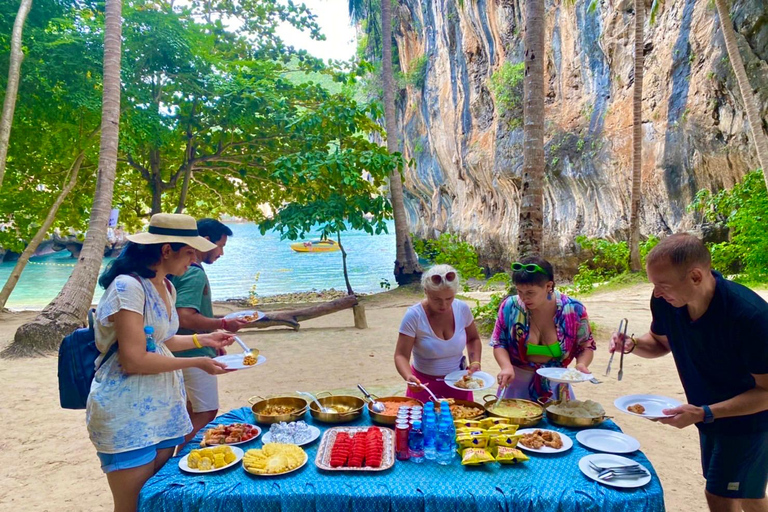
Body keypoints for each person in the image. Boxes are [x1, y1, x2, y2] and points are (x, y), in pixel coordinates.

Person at [86, 213, 235, 512]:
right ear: (166, 250)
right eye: (190, 252)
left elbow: (161, 341)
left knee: (156, 501)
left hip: (164, 409)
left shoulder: (166, 287)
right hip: (126, 414)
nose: (194, 259)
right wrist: (195, 364)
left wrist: (203, 341)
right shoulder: (128, 287)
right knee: (131, 506)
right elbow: (134, 359)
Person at [610, 233, 768, 512]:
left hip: (750, 422)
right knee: (749, 494)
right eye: (654, 285)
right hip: (707, 415)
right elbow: (660, 343)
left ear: (696, 276)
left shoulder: (749, 316)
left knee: (720, 495)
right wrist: (632, 345)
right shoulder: (667, 302)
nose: (657, 292)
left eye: (663, 285)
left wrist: (705, 412)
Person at [171, 218, 248, 444]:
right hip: (189, 354)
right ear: (205, 241)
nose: (221, 253)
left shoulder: (180, 270)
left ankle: (177, 456)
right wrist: (223, 324)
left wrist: (211, 341)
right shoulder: (194, 273)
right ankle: (181, 458)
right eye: (221, 245)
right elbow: (184, 316)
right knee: (206, 412)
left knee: (189, 410)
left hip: (180, 352)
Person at [490, 256, 595, 402]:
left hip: (557, 386)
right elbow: (499, 343)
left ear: (548, 286)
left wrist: (582, 364)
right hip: (515, 385)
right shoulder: (510, 306)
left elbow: (586, 345)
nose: (524, 298)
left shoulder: (573, 310)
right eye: (519, 291)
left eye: (530, 293)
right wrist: (506, 367)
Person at [394, 264, 483, 402]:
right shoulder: (414, 315)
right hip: (424, 386)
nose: (444, 305)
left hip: (459, 384)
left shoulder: (462, 309)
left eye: (449, 299)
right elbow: (401, 355)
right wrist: (408, 377)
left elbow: (473, 339)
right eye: (436, 299)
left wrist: (475, 361)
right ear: (426, 291)